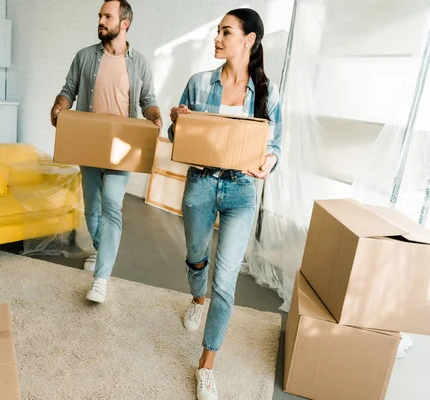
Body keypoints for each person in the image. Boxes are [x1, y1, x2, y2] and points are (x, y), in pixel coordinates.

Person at [168, 8, 282, 400]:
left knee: (226, 279)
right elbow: (177, 134)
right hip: (201, 184)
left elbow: (275, 143)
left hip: (241, 193)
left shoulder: (266, 92)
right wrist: (176, 120)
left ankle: (207, 364)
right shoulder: (199, 84)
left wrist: (270, 160)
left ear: (248, 40)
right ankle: (196, 298)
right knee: (196, 258)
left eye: (225, 32)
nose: (217, 38)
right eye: (217, 31)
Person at [51, 0, 162, 303]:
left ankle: (101, 277)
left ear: (124, 23)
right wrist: (60, 105)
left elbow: (148, 98)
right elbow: (68, 89)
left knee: (112, 206)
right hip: (89, 144)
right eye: (100, 15)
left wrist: (154, 115)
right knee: (92, 209)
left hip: (122, 147)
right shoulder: (85, 57)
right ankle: (102, 250)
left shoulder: (138, 63)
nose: (100, 20)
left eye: (107, 16)